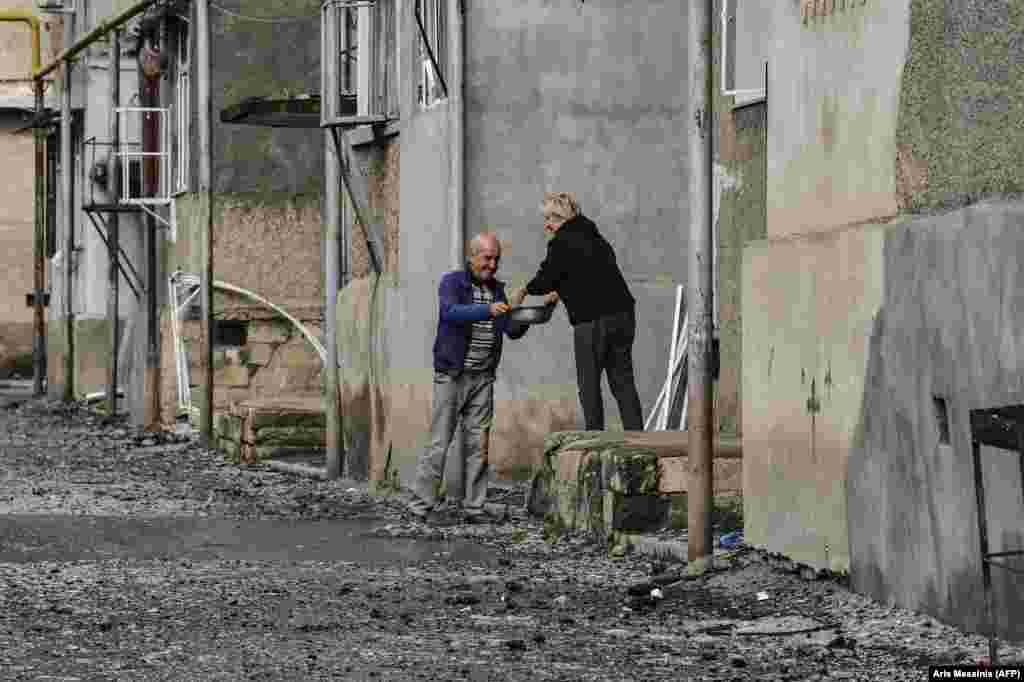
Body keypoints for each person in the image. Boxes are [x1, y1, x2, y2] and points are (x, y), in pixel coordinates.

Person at [409, 232, 530, 525]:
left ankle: (475, 507)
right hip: (452, 375)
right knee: (440, 442)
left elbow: (509, 330)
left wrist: (531, 315)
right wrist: (487, 310)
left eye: (496, 259)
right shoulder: (452, 283)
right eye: (487, 258)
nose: (492, 264)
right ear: (472, 255)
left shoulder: (498, 290)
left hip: (483, 377)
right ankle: (419, 507)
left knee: (479, 445)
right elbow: (451, 313)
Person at [509, 192, 643, 431]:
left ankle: (595, 444)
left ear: (566, 218)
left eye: (553, 217)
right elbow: (589, 273)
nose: (547, 224)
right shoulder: (594, 236)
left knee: (589, 384)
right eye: (546, 218)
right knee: (623, 383)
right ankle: (639, 445)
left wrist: (523, 291)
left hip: (592, 321)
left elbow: (546, 277)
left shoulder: (562, 240)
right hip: (623, 315)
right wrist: (562, 291)